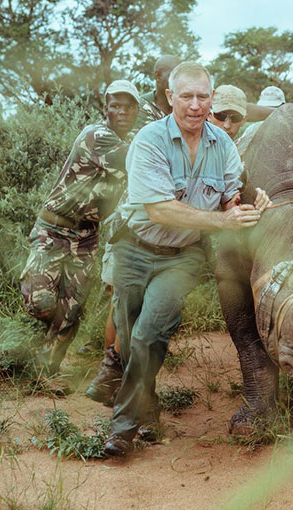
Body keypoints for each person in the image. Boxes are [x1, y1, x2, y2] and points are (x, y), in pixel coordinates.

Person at [104, 61, 270, 457]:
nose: (195, 105)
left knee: (148, 334)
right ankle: (149, 411)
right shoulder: (149, 140)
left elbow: (231, 195)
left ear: (210, 99)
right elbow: (161, 211)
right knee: (130, 342)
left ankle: (122, 431)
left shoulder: (224, 145)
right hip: (135, 245)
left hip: (183, 256)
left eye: (202, 96)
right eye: (187, 96)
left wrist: (247, 205)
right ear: (169, 98)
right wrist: (224, 220)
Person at [20, 80, 141, 376]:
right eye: (115, 106)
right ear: (106, 108)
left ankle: (46, 370)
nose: (122, 112)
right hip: (54, 229)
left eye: (128, 107)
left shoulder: (136, 139)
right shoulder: (97, 136)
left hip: (86, 237)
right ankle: (30, 337)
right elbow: (134, 159)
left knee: (71, 309)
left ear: (136, 110)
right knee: (42, 304)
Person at [85, 55, 181, 404]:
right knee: (122, 302)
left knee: (135, 307)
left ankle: (115, 376)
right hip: (128, 223)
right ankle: (113, 373)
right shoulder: (123, 131)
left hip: (152, 225)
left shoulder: (163, 118)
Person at [236, 85, 286, 154]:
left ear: (283, 106)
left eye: (273, 107)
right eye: (265, 109)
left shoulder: (291, 129)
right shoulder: (252, 129)